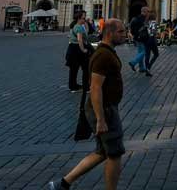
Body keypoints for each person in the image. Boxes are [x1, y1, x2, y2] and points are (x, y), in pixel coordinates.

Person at [48, 19, 128, 190]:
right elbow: (95, 87)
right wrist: (100, 119)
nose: (125, 34)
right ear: (110, 33)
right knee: (114, 154)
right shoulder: (103, 56)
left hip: (105, 108)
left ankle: (63, 184)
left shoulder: (106, 52)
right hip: (104, 110)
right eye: (121, 32)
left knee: (102, 152)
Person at [66, 11, 91, 92]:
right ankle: (86, 87)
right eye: (84, 18)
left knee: (74, 69)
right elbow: (80, 39)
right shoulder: (79, 27)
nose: (85, 19)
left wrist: (86, 24)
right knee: (85, 68)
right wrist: (83, 49)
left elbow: (85, 33)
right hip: (78, 50)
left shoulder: (76, 26)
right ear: (79, 18)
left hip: (73, 49)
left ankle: (73, 86)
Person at [127, 7, 149, 74]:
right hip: (142, 38)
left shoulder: (136, 18)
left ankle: (141, 67)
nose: (149, 13)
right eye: (148, 11)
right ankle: (133, 62)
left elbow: (131, 26)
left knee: (140, 52)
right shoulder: (144, 19)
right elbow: (146, 28)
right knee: (144, 52)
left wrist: (133, 35)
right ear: (144, 12)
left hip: (136, 37)